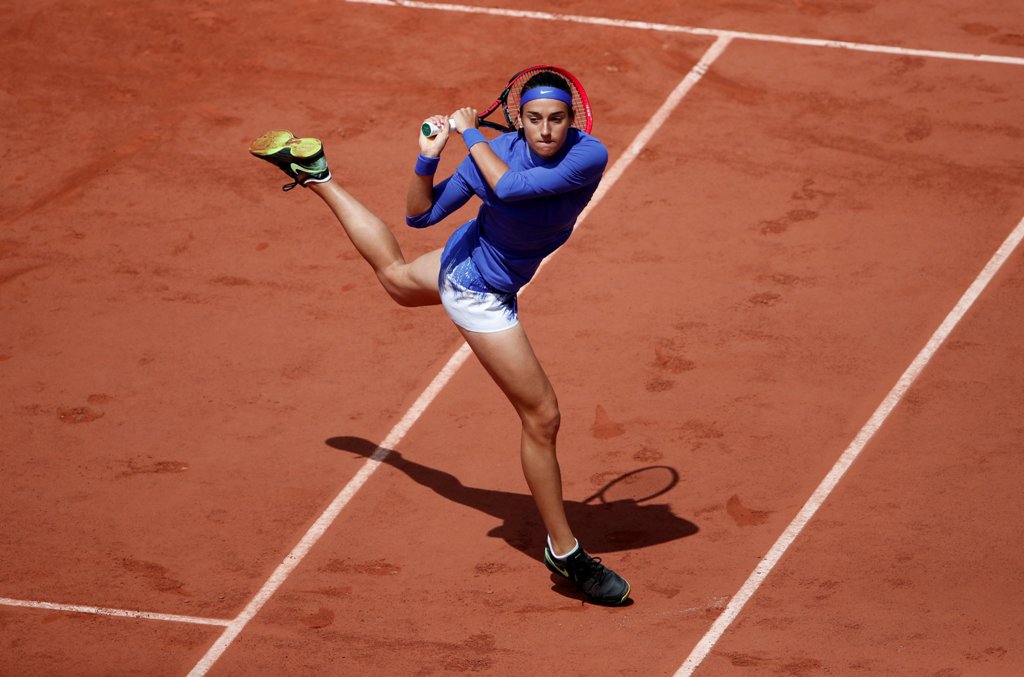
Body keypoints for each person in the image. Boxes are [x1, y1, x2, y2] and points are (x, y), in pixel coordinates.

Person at [249, 71, 630, 605]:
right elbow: (420, 213)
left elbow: (513, 188)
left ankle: (317, 175)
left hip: (472, 253)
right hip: (477, 285)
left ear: (574, 120)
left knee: (398, 283)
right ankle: (563, 553)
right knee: (542, 417)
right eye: (536, 119)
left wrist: (469, 135)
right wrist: (428, 155)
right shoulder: (491, 151)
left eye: (558, 119)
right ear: (519, 119)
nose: (547, 131)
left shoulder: (587, 156)